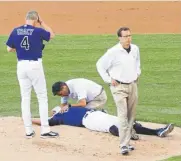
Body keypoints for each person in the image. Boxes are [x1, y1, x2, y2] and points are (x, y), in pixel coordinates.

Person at [6, 10, 59, 139]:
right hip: (34, 66)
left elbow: (9, 49)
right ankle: (45, 130)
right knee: (42, 96)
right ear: (36, 20)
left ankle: (28, 131)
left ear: (26, 19)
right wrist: (43, 22)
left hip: (21, 66)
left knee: (25, 98)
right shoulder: (38, 31)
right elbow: (51, 35)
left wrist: (21, 49)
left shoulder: (15, 30)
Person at [96, 27, 141, 154]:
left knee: (131, 115)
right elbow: (99, 65)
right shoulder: (113, 52)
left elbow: (137, 63)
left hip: (132, 85)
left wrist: (138, 73)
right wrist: (109, 80)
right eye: (125, 36)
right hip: (118, 88)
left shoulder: (135, 49)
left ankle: (128, 140)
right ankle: (124, 145)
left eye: (130, 35)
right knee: (123, 115)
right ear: (119, 38)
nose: (128, 38)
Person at [32, 106, 174, 143]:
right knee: (110, 127)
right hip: (88, 121)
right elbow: (43, 121)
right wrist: (29, 120)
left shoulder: (71, 107)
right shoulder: (58, 118)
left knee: (124, 122)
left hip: (97, 114)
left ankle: (157, 132)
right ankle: (128, 135)